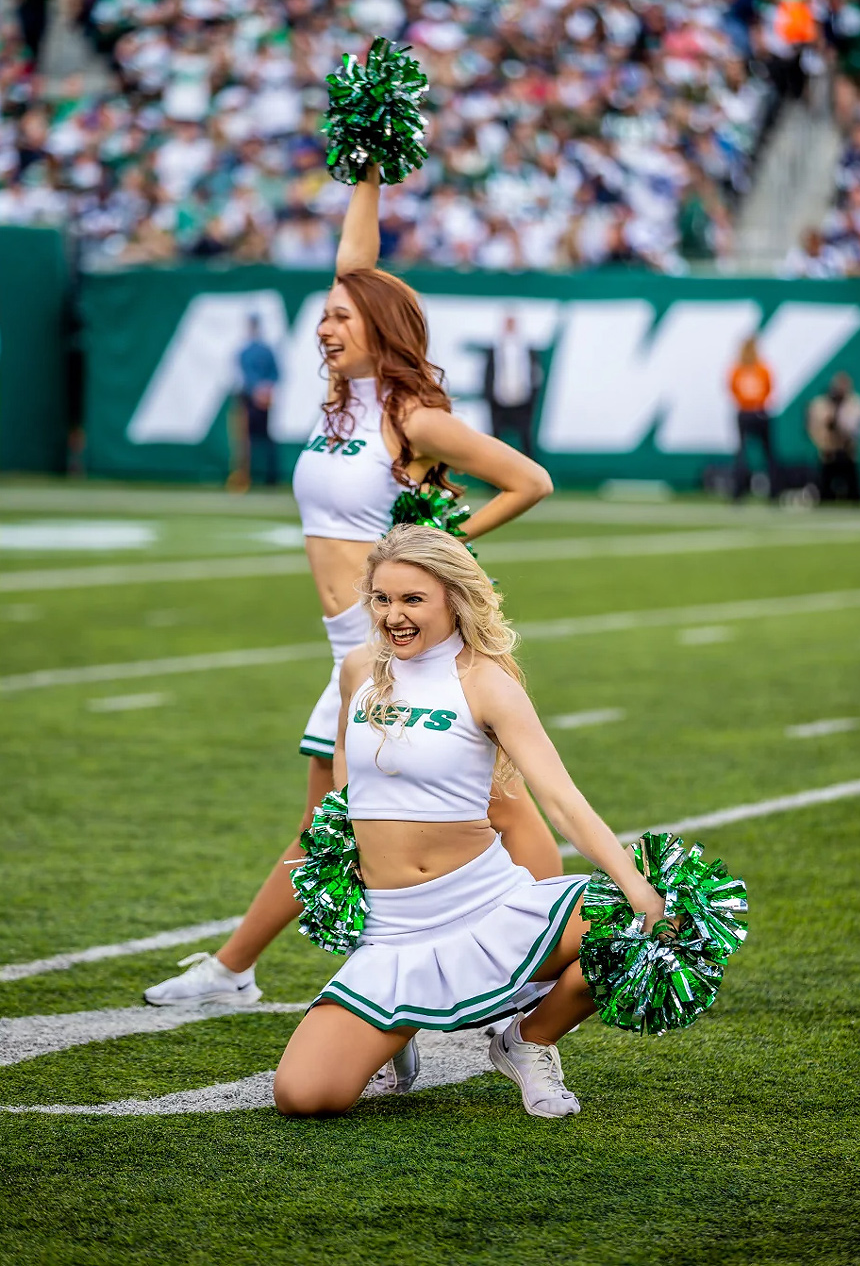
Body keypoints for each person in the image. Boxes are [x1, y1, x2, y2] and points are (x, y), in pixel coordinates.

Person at [144, 170, 561, 1087]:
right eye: (324, 317)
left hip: (390, 646)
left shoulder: (412, 415)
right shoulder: (342, 399)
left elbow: (528, 480)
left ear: (380, 329)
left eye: (340, 317)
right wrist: (368, 173)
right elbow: (355, 261)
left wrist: (443, 539)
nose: (325, 326)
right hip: (347, 649)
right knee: (351, 815)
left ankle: (245, 971)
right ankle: (257, 972)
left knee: (485, 805)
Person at [273, 526, 669, 1120]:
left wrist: (637, 887)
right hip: (394, 929)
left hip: (486, 902)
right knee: (304, 1097)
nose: (393, 616)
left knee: (645, 928)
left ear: (454, 599)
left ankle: (527, 1042)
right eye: (382, 599)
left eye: (413, 600)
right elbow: (345, 780)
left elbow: (560, 800)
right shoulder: (358, 670)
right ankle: (397, 1028)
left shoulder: (484, 681)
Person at [228, 314, 281, 490]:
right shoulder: (244, 350)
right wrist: (257, 390)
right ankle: (244, 476)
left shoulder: (264, 350)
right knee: (244, 440)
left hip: (261, 400)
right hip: (247, 399)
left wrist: (265, 390)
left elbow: (275, 373)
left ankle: (269, 477)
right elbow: (242, 376)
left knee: (264, 438)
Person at [482, 313, 543, 460]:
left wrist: (531, 395)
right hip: (498, 400)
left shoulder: (526, 349)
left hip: (523, 400)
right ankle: (493, 476)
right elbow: (489, 373)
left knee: (526, 438)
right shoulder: (495, 349)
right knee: (495, 439)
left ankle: (530, 475)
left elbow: (535, 374)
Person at [728, 335, 779, 501]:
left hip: (745, 412)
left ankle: (738, 493)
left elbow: (732, 388)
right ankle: (773, 492)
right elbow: (769, 388)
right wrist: (758, 402)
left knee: (742, 453)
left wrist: (746, 403)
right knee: (767, 453)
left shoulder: (739, 368)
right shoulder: (761, 368)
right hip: (759, 412)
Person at [806, 372, 860, 503]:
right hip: (828, 454)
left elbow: (856, 429)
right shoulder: (821, 405)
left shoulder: (856, 404)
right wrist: (824, 442)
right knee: (825, 495)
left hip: (848, 454)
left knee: (855, 495)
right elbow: (813, 427)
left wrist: (840, 423)